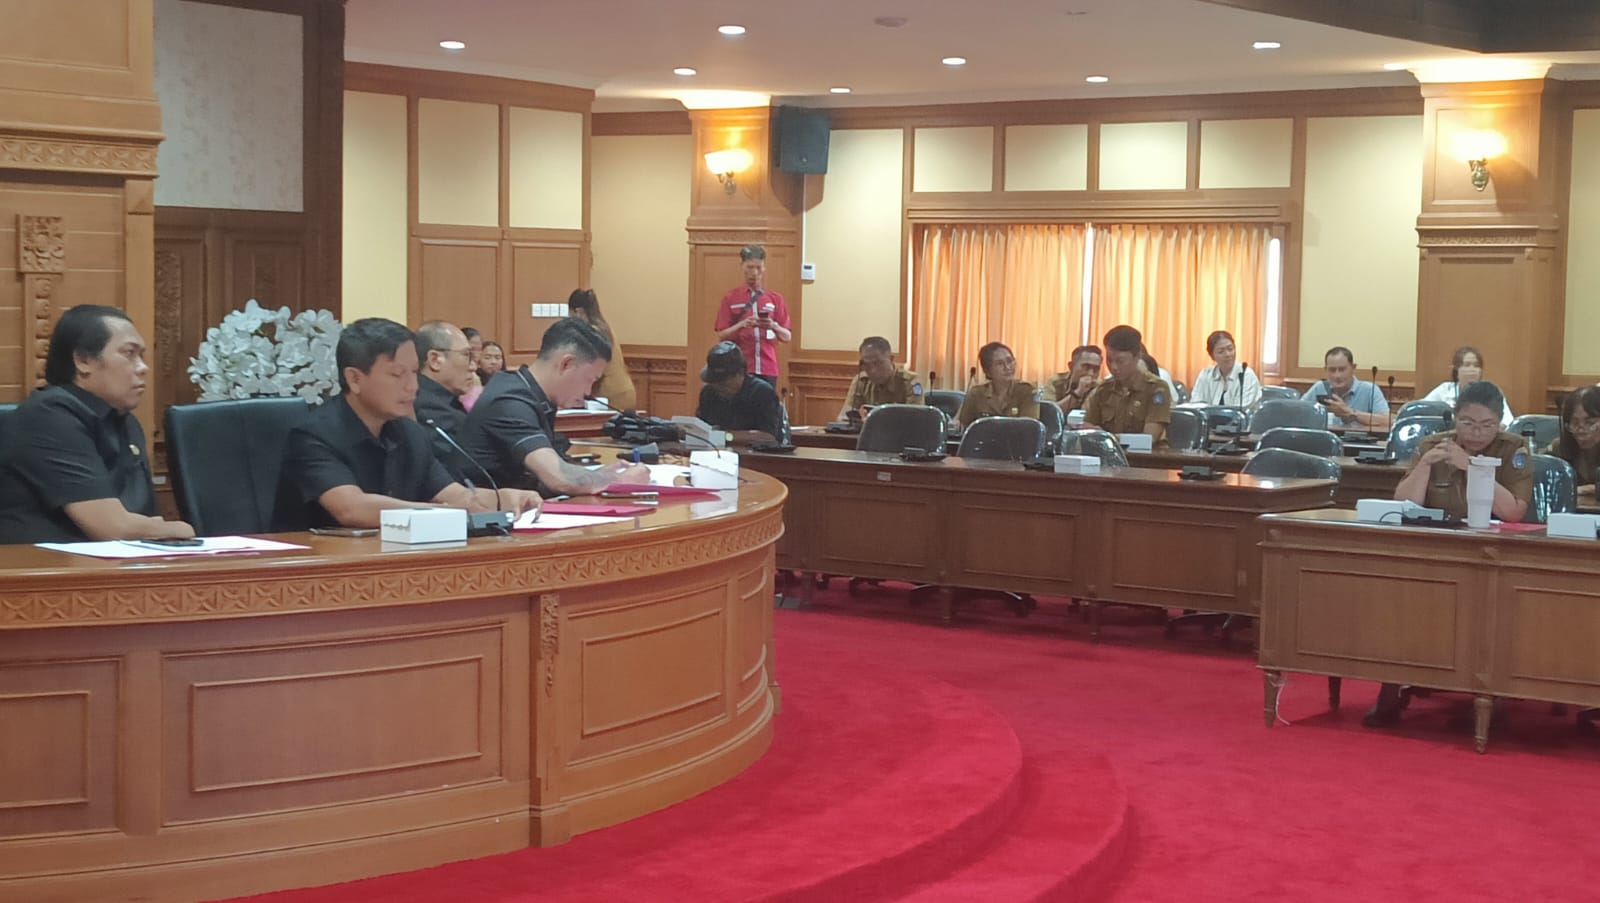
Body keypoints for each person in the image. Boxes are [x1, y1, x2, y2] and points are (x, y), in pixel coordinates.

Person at [1369, 380, 1533, 728]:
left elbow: (1513, 512)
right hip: (1438, 552)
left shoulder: (1513, 448)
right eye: (1467, 423)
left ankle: (1489, 689)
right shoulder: (1433, 446)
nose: (1476, 432)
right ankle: (1393, 683)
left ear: (1499, 423)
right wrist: (1425, 465)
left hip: (1493, 555)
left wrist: (1472, 465)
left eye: (1486, 425)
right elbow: (1403, 505)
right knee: (1400, 598)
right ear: (1455, 418)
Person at [275, 318, 540, 531]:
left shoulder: (408, 431)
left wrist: (504, 498)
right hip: (317, 569)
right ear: (354, 379)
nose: (412, 386)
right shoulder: (313, 435)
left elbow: (455, 496)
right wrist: (443, 513)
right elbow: (352, 509)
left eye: (414, 372)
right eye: (397, 375)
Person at [0, 304, 195, 544]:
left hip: (116, 562)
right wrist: (181, 528)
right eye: (129, 354)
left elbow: (147, 518)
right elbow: (113, 527)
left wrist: (161, 529)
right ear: (83, 361)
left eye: (142, 356)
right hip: (39, 563)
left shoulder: (125, 421)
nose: (143, 368)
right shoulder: (49, 416)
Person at [461, 317, 650, 495]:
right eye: (590, 379)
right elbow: (558, 477)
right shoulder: (510, 400)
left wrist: (595, 475)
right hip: (490, 514)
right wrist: (616, 480)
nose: (587, 392)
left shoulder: (528, 391)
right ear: (566, 364)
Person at [713, 245, 791, 386]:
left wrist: (773, 325)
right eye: (750, 267)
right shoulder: (730, 298)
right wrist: (742, 325)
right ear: (742, 266)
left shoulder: (775, 299)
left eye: (758, 267)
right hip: (739, 368)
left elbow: (787, 336)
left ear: (764, 267)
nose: (754, 272)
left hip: (768, 367)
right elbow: (722, 335)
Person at [1083, 325, 1172, 447]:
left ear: (1137, 357)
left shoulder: (1156, 388)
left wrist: (1106, 437)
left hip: (1146, 456)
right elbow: (1088, 426)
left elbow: (1149, 438)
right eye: (1109, 360)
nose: (1113, 367)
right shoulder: (1103, 390)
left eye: (1120, 361)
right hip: (1109, 453)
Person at [411, 320, 476, 481]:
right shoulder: (427, 407)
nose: (473, 366)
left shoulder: (445, 400)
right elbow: (458, 474)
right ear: (435, 360)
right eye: (466, 355)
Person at [697, 342, 786, 444]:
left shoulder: (762, 393)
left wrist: (725, 436)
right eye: (714, 382)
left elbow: (768, 436)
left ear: (740, 374)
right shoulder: (708, 393)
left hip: (755, 453)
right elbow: (701, 428)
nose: (718, 386)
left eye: (723, 382)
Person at [568, 288, 637, 410]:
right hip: (624, 391)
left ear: (578, 312)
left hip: (610, 396)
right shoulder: (603, 327)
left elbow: (589, 368)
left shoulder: (592, 332)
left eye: (570, 315)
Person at [1420, 346, 1513, 428]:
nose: (1472, 370)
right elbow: (1420, 409)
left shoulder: (1491, 392)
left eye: (1476, 365)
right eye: (1467, 365)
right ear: (1456, 369)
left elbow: (1508, 422)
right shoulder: (1445, 390)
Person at [1300, 346, 1390, 430]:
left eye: (1342, 369)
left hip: (1359, 440)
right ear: (1325, 370)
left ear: (1353, 368)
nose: (1337, 375)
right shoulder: (1320, 387)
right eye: (1332, 370)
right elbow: (1298, 412)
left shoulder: (1370, 390)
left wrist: (1351, 413)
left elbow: (1387, 421)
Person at [836, 336, 924, 421]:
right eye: (867, 364)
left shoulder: (911, 382)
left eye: (878, 363)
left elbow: (915, 420)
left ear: (891, 359)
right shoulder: (861, 381)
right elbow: (843, 416)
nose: (873, 370)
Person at [955, 342, 1038, 428]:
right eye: (1000, 363)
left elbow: (1029, 427)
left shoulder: (1027, 391)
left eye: (1010, 361)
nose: (1007, 367)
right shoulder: (976, 394)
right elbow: (964, 426)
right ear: (987, 371)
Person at [1549, 384, 1600, 502]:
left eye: (1590, 423)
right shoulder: (1558, 447)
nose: (1581, 431)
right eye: (1574, 423)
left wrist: (1590, 489)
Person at [1188, 330, 1262, 408]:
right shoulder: (1206, 375)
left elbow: (1243, 410)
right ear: (1212, 356)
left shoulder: (1246, 376)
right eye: (1221, 352)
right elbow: (1196, 405)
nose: (1227, 354)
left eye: (1230, 349)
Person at [1039, 345, 1102, 414]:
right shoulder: (1055, 382)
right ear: (1071, 366)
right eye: (1086, 367)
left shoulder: (1101, 387)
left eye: (1096, 369)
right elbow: (1048, 412)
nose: (1091, 373)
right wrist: (1078, 392)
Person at [462, 340, 504, 411]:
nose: (493, 362)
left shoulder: (508, 381)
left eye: (497, 358)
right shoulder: (472, 380)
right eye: (487, 358)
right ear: (478, 361)